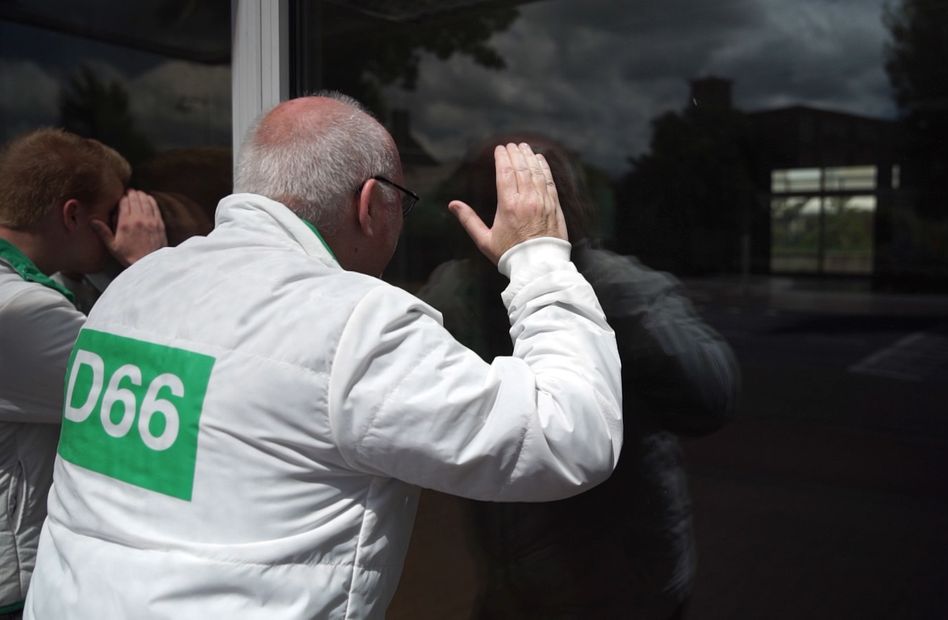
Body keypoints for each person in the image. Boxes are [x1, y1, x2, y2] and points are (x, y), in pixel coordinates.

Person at [24, 93, 622, 619]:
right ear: (371, 203)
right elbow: (568, 437)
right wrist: (539, 261)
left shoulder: (135, 284)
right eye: (403, 205)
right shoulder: (354, 323)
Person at [402, 134, 739, 619]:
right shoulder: (455, 294)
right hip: (512, 585)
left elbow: (714, 396)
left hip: (622, 590)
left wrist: (612, 308)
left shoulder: (624, 289)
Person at [0, 128, 166, 618]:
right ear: (73, 215)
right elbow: (155, 385)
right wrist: (151, 267)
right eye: (113, 216)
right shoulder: (21, 314)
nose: (123, 230)